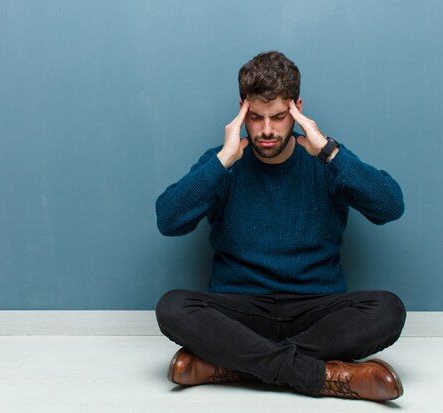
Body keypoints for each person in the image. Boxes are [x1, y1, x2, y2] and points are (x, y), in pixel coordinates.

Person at [154, 51, 406, 401]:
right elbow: (168, 220)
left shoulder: (328, 159)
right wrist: (223, 160)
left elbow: (390, 206)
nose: (267, 130)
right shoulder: (223, 162)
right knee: (172, 307)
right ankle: (322, 375)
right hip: (240, 310)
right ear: (242, 110)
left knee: (388, 310)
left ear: (297, 109)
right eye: (256, 118)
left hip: (316, 310)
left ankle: (230, 365)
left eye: (279, 117)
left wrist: (331, 154)